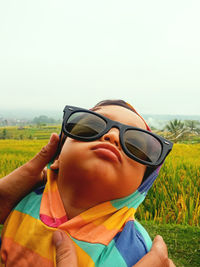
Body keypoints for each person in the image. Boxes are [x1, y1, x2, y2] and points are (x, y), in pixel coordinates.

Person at [0, 100, 175, 267]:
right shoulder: (20, 200)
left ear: (141, 186)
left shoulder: (136, 250)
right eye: (90, 127)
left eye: (135, 144)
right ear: (57, 157)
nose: (112, 136)